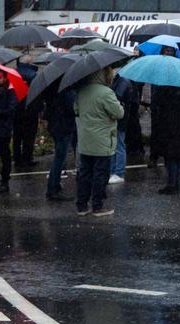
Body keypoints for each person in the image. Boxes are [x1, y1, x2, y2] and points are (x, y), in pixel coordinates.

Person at [74, 67, 123, 217]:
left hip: (85, 140)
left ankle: (82, 206)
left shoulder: (81, 91)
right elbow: (118, 113)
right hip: (102, 141)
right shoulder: (106, 92)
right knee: (100, 174)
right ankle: (97, 206)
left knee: (85, 173)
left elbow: (76, 110)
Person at [152, 83, 180, 194]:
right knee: (178, 155)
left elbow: (158, 102)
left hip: (169, 123)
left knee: (170, 155)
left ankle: (171, 184)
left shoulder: (164, 87)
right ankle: (176, 183)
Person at [44, 85, 77, 202]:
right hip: (63, 126)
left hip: (55, 125)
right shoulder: (66, 90)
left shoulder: (52, 88)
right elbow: (72, 108)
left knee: (59, 157)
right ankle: (53, 189)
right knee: (60, 158)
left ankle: (54, 186)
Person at [110, 74, 141, 183]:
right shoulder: (121, 81)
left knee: (118, 145)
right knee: (115, 145)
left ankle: (118, 172)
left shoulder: (122, 81)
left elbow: (117, 97)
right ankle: (114, 171)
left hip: (120, 119)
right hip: (120, 118)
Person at [12, 53, 40, 168]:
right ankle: (27, 158)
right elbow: (37, 94)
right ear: (29, 63)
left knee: (17, 135)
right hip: (30, 109)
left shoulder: (13, 74)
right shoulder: (34, 76)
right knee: (29, 136)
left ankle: (17, 159)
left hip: (16, 109)